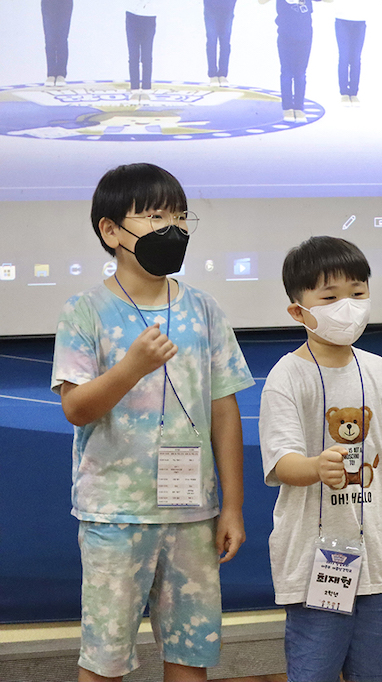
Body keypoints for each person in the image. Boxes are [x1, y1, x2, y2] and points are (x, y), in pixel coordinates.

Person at [51, 162, 254, 682]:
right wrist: (132, 367)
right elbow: (76, 408)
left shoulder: (203, 309)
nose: (173, 229)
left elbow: (224, 410)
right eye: (156, 216)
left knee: (191, 654)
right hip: (116, 515)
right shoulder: (84, 311)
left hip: (192, 514)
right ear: (111, 230)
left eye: (181, 217)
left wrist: (232, 506)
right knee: (105, 658)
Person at [259, 236, 382, 682]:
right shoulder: (286, 377)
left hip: (379, 558)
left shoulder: (381, 371)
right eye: (330, 298)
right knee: (313, 671)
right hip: (313, 563)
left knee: (379, 672)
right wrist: (315, 467)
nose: (347, 306)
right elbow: (280, 464)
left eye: (357, 293)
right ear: (298, 311)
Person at [331, 0, 370, 104]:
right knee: (344, 56)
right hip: (342, 18)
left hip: (360, 19)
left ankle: (353, 92)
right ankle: (344, 92)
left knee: (356, 58)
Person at [125, 0, 158, 101]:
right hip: (132, 15)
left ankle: (146, 87)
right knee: (133, 55)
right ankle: (134, 87)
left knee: (146, 55)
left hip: (149, 16)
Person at [204, 0, 237, 86]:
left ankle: (223, 74)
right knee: (212, 40)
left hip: (227, 7)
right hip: (210, 6)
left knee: (225, 41)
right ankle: (213, 74)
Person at [41, 0, 73, 86]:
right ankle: (51, 73)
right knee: (50, 38)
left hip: (64, 3)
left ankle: (61, 74)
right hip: (48, 3)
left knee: (62, 38)